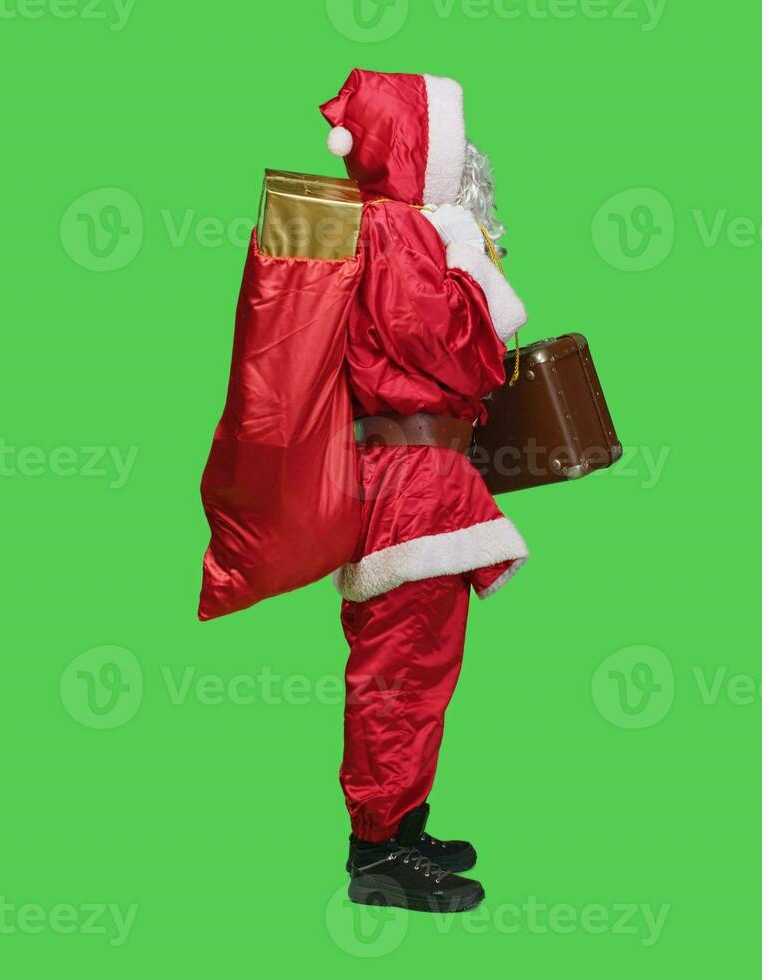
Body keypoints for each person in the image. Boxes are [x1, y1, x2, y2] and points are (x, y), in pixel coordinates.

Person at [318, 68, 531, 914]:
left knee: (420, 665)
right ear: (424, 144)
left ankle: (401, 827)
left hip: (420, 477)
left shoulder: (388, 231)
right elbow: (455, 350)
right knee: (401, 670)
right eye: (451, 136)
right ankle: (378, 857)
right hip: (410, 482)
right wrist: (475, 265)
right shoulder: (398, 233)